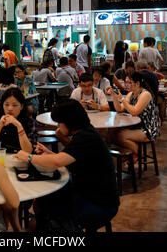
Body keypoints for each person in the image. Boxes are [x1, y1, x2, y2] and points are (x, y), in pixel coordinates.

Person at [14, 99, 119, 232]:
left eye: (60, 122)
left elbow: (58, 162)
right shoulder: (85, 133)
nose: (58, 126)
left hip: (100, 202)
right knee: (42, 201)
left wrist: (29, 157)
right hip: (89, 192)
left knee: (46, 209)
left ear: (70, 122)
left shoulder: (86, 137)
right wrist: (49, 154)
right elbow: (67, 159)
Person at [109, 71, 160, 162]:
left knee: (120, 135)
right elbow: (119, 109)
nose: (126, 85)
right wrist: (114, 96)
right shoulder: (131, 94)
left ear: (137, 83)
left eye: (129, 82)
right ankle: (131, 153)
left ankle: (138, 154)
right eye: (126, 82)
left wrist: (121, 98)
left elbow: (134, 112)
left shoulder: (145, 94)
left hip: (148, 128)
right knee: (111, 133)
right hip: (136, 125)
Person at [0, 87, 37, 154]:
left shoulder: (30, 122)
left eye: (14, 105)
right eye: (6, 104)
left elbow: (28, 151)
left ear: (21, 106)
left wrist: (19, 126)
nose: (10, 108)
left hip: (21, 161)